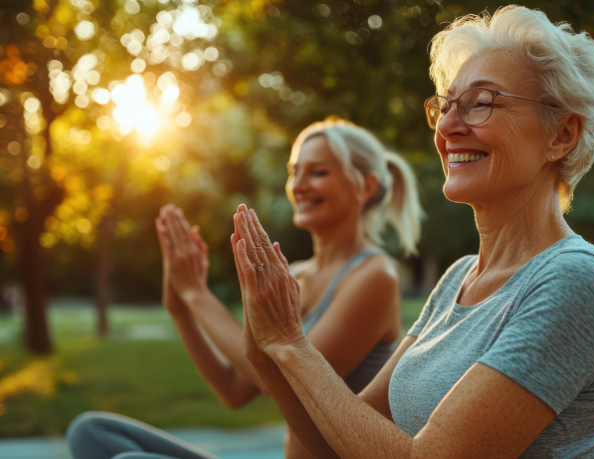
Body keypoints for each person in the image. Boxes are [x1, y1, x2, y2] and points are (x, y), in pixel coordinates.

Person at [233, 6, 594, 459]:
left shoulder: (579, 279)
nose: (446, 127)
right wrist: (268, 349)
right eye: (445, 106)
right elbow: (336, 442)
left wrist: (291, 345)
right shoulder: (457, 279)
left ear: (561, 134)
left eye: (480, 103)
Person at [66, 120, 424, 459]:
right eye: (294, 171)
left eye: (318, 172)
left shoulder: (375, 276)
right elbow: (234, 390)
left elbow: (277, 381)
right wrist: (180, 307)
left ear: (365, 186)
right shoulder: (294, 275)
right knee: (91, 432)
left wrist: (197, 295)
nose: (299, 185)